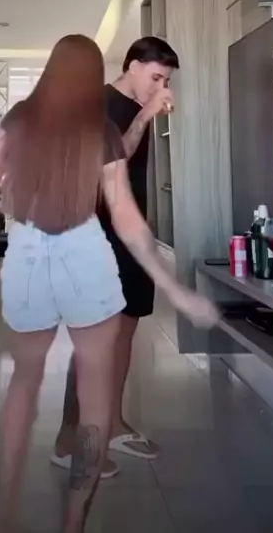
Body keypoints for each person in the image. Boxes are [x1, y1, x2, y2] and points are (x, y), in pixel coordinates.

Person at [0, 34, 217, 533]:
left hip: (28, 254)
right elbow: (124, 216)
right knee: (96, 397)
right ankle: (74, 522)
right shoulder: (99, 127)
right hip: (85, 251)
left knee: (23, 384)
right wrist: (176, 289)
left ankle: (5, 515)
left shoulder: (21, 117)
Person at [53, 36, 180, 476]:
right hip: (100, 236)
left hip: (130, 237)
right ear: (132, 66)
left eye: (165, 80)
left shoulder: (134, 105)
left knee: (124, 333)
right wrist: (146, 113)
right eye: (156, 77)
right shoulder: (100, 103)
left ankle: (111, 423)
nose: (161, 87)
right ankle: (69, 440)